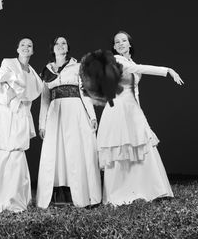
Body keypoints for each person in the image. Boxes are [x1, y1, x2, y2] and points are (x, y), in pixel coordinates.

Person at [81, 31, 184, 206]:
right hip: (118, 109)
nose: (120, 44)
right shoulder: (117, 60)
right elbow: (138, 69)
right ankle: (119, 193)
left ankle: (150, 189)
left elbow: (135, 91)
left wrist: (140, 114)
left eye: (124, 41)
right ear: (114, 47)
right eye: (117, 42)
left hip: (132, 108)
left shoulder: (130, 61)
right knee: (121, 148)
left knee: (142, 146)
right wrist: (167, 70)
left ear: (130, 44)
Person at [0, 38, 43, 213]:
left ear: (33, 51)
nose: (26, 47)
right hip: (7, 113)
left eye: (30, 46)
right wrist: (19, 95)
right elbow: (8, 85)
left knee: (17, 153)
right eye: (23, 45)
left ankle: (18, 196)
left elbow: (35, 91)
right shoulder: (8, 63)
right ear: (17, 48)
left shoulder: (34, 73)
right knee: (4, 153)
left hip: (21, 115)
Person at [36, 36, 102, 209]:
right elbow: (44, 98)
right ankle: (57, 195)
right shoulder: (47, 70)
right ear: (53, 48)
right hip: (55, 113)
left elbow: (85, 92)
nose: (60, 45)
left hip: (75, 111)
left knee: (76, 150)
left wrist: (92, 116)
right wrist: (41, 123)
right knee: (55, 152)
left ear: (68, 48)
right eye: (57, 43)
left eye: (63, 43)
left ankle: (82, 194)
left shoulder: (78, 67)